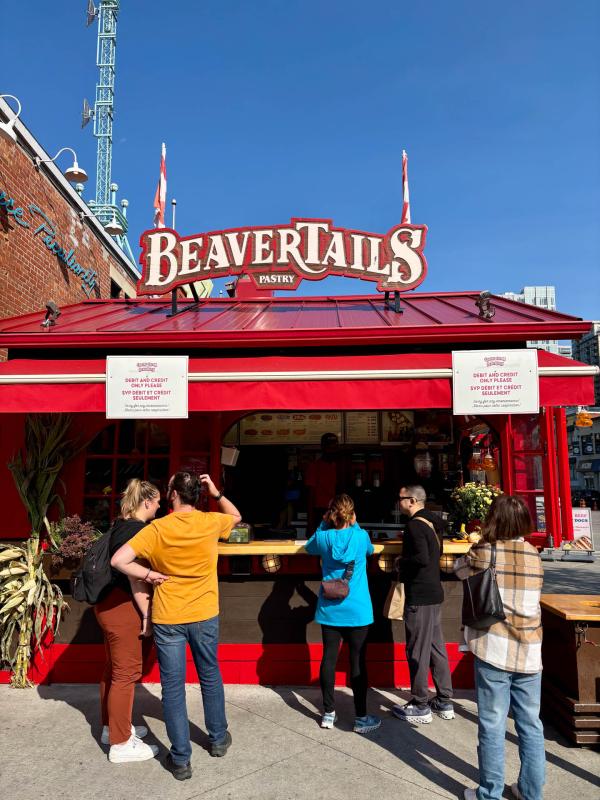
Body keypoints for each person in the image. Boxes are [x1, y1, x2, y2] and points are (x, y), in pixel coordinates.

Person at [111, 471, 241, 781]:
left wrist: (149, 576)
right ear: (198, 495)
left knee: (172, 688)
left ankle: (181, 759)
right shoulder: (211, 521)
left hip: (169, 615)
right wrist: (217, 492)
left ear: (172, 495)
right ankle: (218, 739)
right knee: (210, 675)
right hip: (204, 611)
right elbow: (236, 516)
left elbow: (119, 560)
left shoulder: (157, 528)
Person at [454, 494, 545, 800]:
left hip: (494, 648)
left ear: (495, 520)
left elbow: (458, 569)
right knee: (530, 725)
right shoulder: (534, 554)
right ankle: (531, 793)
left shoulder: (484, 551)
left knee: (492, 724)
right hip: (530, 651)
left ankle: (489, 793)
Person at [94, 478, 163, 763]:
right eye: (157, 502)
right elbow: (135, 579)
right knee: (126, 675)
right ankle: (121, 745)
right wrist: (147, 615)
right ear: (147, 502)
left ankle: (113, 728)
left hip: (107, 606)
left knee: (113, 671)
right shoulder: (139, 531)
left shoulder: (119, 525)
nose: (159, 506)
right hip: (124, 609)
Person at [305, 493, 381, 734]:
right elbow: (369, 551)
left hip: (330, 609)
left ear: (332, 515)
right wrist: (354, 523)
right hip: (358, 609)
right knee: (357, 662)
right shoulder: (361, 536)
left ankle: (328, 713)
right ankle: (360, 717)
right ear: (352, 514)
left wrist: (324, 522)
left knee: (328, 658)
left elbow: (309, 547)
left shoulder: (324, 537)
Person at [392, 484, 454, 724]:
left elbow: (421, 558)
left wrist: (400, 561)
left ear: (412, 501)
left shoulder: (415, 526)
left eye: (401, 498)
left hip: (420, 594)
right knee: (437, 648)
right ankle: (444, 700)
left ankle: (420, 704)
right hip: (434, 593)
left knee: (417, 649)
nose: (399, 502)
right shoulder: (433, 523)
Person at [305, 432, 339, 533]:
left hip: (336, 513)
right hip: (320, 513)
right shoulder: (314, 467)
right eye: (329, 447)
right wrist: (310, 523)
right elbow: (310, 496)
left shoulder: (337, 466)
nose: (332, 451)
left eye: (334, 448)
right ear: (323, 448)